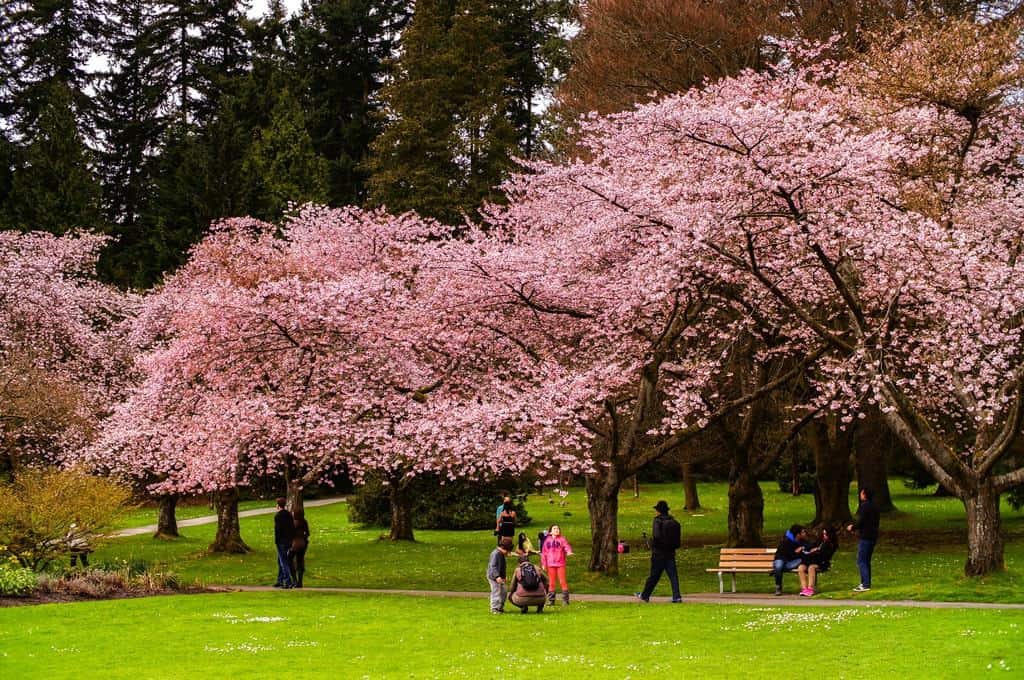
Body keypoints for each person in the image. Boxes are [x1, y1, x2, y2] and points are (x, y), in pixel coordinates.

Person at [635, 500, 683, 603]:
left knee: (654, 576)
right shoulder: (673, 521)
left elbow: (656, 536)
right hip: (670, 553)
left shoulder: (657, 521)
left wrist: (652, 543)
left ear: (658, 511)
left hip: (659, 554)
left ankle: (645, 595)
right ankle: (677, 596)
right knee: (673, 576)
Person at [847, 487, 880, 592]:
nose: (860, 495)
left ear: (865, 495)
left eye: (861, 493)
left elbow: (861, 521)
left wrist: (852, 527)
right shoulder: (875, 506)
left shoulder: (864, 506)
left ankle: (865, 584)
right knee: (866, 560)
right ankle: (866, 582)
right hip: (873, 535)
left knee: (861, 560)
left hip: (866, 536)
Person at [797, 526, 839, 597]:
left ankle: (810, 589)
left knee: (811, 568)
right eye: (823, 534)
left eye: (826, 534)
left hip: (822, 562)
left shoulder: (831, 544)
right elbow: (811, 545)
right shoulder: (820, 540)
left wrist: (817, 550)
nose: (824, 536)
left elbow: (825, 555)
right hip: (811, 560)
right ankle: (804, 589)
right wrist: (804, 548)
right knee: (801, 568)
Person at [540, 524, 573, 605]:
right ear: (550, 531)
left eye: (558, 528)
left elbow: (566, 546)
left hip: (560, 563)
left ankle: (565, 600)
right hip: (550, 564)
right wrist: (544, 564)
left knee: (562, 581)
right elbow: (544, 553)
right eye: (554, 528)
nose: (557, 530)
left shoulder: (562, 539)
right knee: (551, 582)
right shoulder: (547, 540)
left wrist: (568, 551)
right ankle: (551, 600)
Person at [772, 524, 810, 596]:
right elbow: (791, 554)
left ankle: (777, 571)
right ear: (798, 534)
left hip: (792, 561)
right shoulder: (786, 541)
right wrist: (797, 553)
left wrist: (802, 547)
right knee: (779, 566)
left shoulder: (802, 540)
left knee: (801, 560)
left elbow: (809, 545)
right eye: (803, 532)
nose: (804, 533)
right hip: (781, 559)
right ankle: (778, 587)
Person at [487, 537, 514, 613]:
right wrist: (497, 576)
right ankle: (494, 608)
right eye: (507, 551)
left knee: (504, 591)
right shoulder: (495, 554)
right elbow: (493, 566)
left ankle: (500, 607)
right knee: (496, 591)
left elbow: (502, 566)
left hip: (499, 576)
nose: (507, 553)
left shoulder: (501, 554)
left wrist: (503, 576)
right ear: (503, 548)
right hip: (493, 576)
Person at [273, 497, 295, 588]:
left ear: (278, 506)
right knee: (280, 560)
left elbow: (278, 530)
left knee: (283, 561)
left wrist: (277, 541)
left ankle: (288, 581)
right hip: (288, 540)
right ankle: (280, 579)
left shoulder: (278, 516)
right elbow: (292, 528)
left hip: (281, 541)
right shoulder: (289, 515)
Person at [288, 508, 311, 588]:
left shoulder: (293, 523)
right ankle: (300, 581)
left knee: (289, 560)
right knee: (300, 561)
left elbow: (290, 534)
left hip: (295, 544)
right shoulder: (304, 522)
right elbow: (307, 533)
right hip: (303, 544)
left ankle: (294, 580)